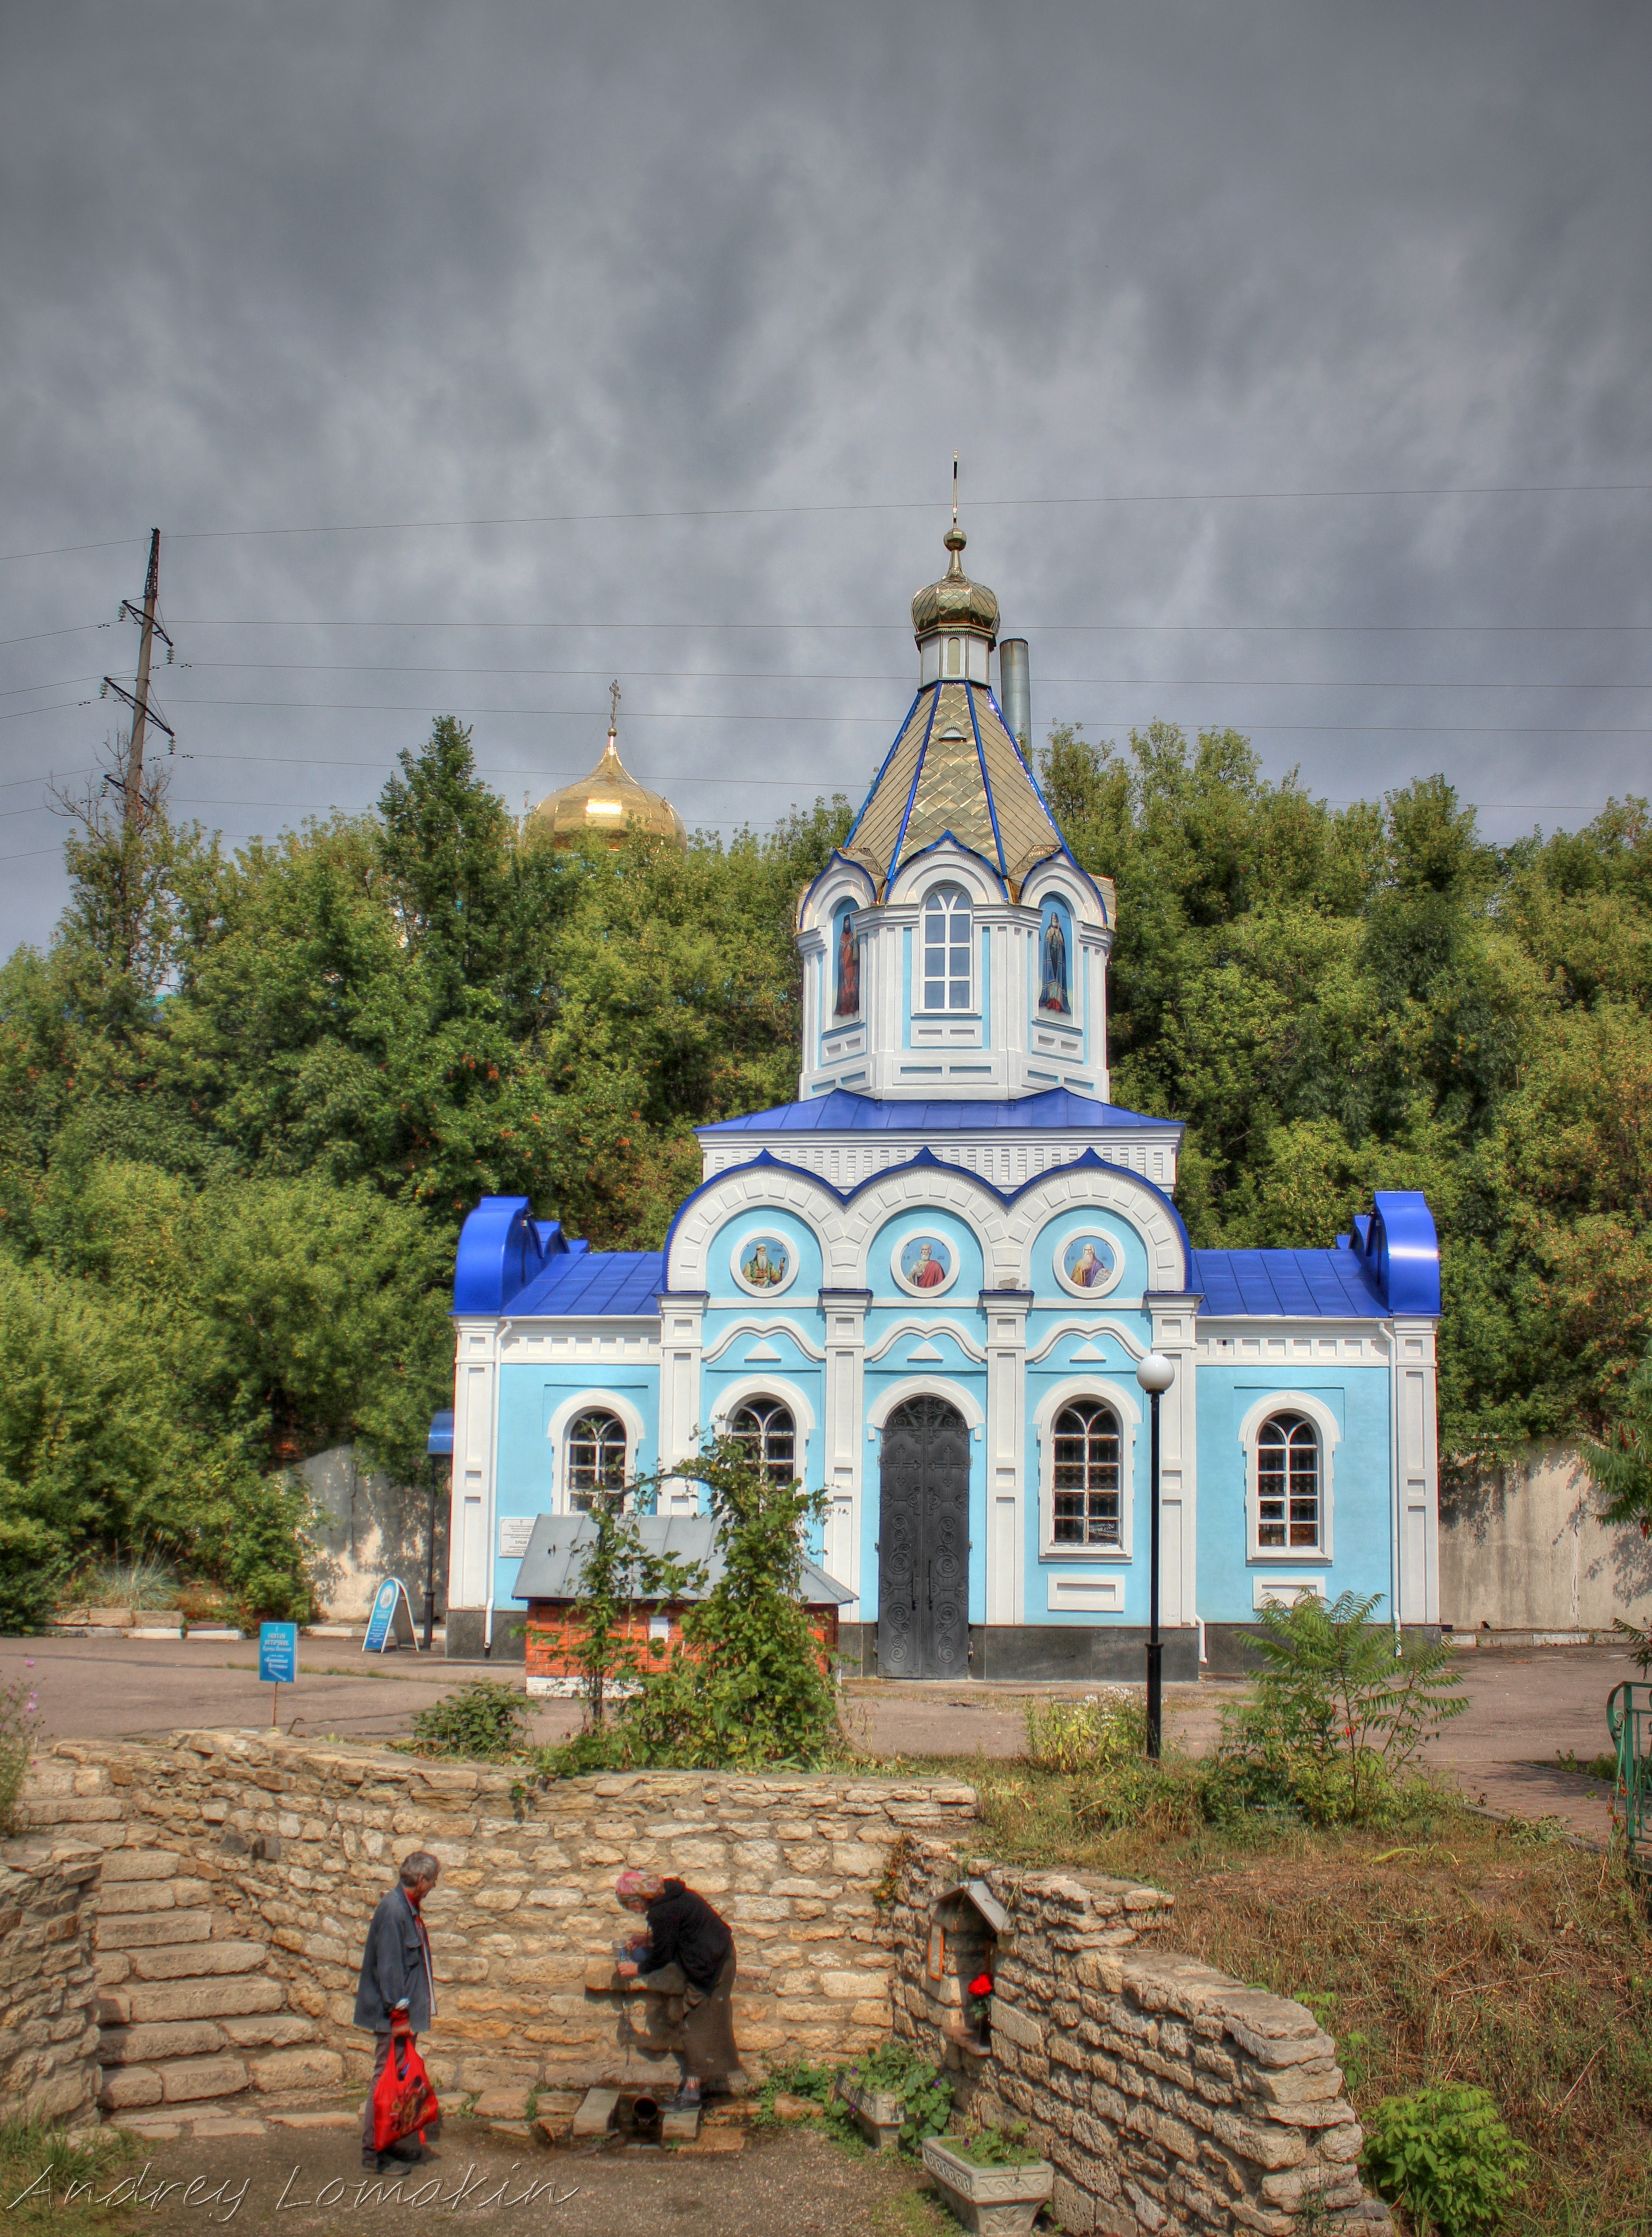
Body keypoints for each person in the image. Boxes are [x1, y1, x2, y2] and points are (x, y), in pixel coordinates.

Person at [613, 1868, 741, 2109]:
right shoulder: (671, 1895)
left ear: (639, 1899)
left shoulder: (663, 1910)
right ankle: (694, 2089)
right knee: (696, 2023)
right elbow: (676, 1934)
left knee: (693, 2024)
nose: (631, 1910)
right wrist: (648, 1939)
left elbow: (664, 1955)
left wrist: (637, 1970)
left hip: (713, 1965)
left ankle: (693, 2094)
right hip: (716, 1955)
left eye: (630, 1905)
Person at [354, 1851, 441, 2171]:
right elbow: (390, 1970)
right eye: (433, 1880)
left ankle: (388, 2144)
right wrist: (400, 2019)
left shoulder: (407, 1908)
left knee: (399, 2085)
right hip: (393, 2019)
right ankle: (372, 2155)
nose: (434, 1886)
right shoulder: (393, 1912)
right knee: (385, 2082)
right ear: (420, 1880)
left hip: (400, 2018)